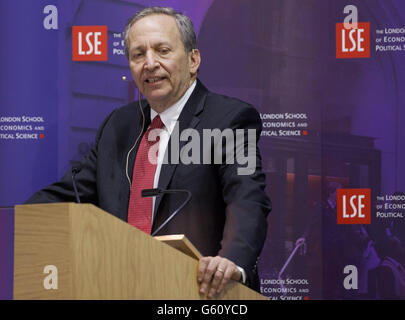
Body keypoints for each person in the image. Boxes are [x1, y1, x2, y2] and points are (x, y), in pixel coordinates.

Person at [26, 7, 271, 298]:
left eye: (162, 50)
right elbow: (71, 194)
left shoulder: (231, 118)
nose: (149, 63)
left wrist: (231, 260)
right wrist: (16, 222)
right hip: (121, 286)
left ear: (193, 60)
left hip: (202, 293)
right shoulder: (118, 125)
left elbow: (247, 197)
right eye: (138, 54)